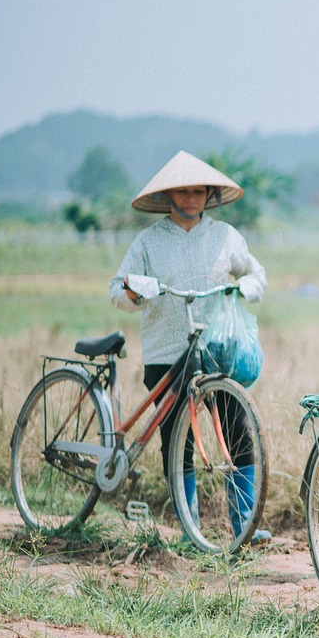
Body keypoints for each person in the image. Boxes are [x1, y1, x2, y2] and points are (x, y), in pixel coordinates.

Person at [109, 150, 270, 545]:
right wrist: (134, 294)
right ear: (168, 195)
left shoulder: (225, 236)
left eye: (198, 191)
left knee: (237, 430)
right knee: (176, 442)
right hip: (166, 353)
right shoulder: (148, 242)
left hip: (216, 350)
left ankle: (244, 524)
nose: (191, 198)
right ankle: (189, 529)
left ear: (209, 195)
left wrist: (244, 287)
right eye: (183, 191)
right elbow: (117, 288)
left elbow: (256, 273)